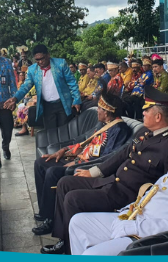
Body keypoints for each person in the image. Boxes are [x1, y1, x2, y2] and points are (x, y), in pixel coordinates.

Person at [69, 102, 168, 255]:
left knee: (90, 255)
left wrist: (138, 227)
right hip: (137, 218)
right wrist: (130, 213)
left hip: (153, 238)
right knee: (78, 223)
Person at [40, 87, 168, 254]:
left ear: (158, 117)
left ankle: (69, 250)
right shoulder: (147, 130)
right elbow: (122, 153)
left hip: (127, 196)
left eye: (147, 110)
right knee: (65, 183)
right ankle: (64, 240)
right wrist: (94, 172)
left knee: (73, 199)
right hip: (112, 181)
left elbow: (165, 186)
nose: (143, 113)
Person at [32, 90, 132, 235]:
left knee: (53, 172)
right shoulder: (103, 124)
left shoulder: (119, 129)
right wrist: (64, 150)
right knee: (41, 163)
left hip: (86, 166)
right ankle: (45, 211)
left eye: (99, 108)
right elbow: (84, 139)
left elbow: (108, 157)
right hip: (77, 159)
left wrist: (78, 164)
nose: (97, 110)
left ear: (107, 111)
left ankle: (50, 220)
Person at [4, 44, 81, 130]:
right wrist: (15, 98)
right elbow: (25, 86)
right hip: (47, 106)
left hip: (63, 104)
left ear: (48, 55)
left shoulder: (61, 64)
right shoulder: (33, 70)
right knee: (51, 134)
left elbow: (72, 82)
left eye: (42, 58)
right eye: (37, 60)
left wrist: (76, 100)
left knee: (65, 132)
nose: (40, 62)